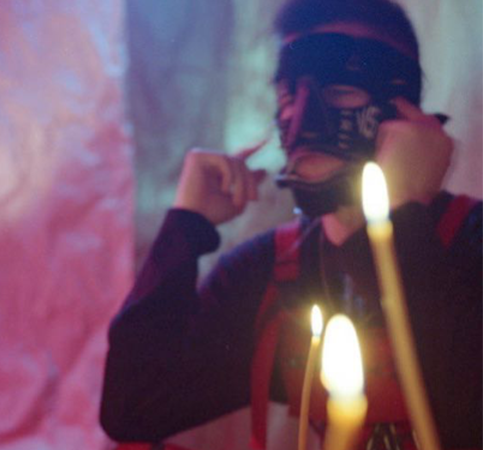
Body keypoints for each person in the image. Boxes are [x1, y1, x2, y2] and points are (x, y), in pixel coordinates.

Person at [100, 0, 483, 449]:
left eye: (340, 90)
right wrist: (186, 224)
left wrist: (400, 216)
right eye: (288, 96)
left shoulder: (470, 242)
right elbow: (132, 407)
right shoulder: (273, 272)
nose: (301, 119)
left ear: (406, 109)